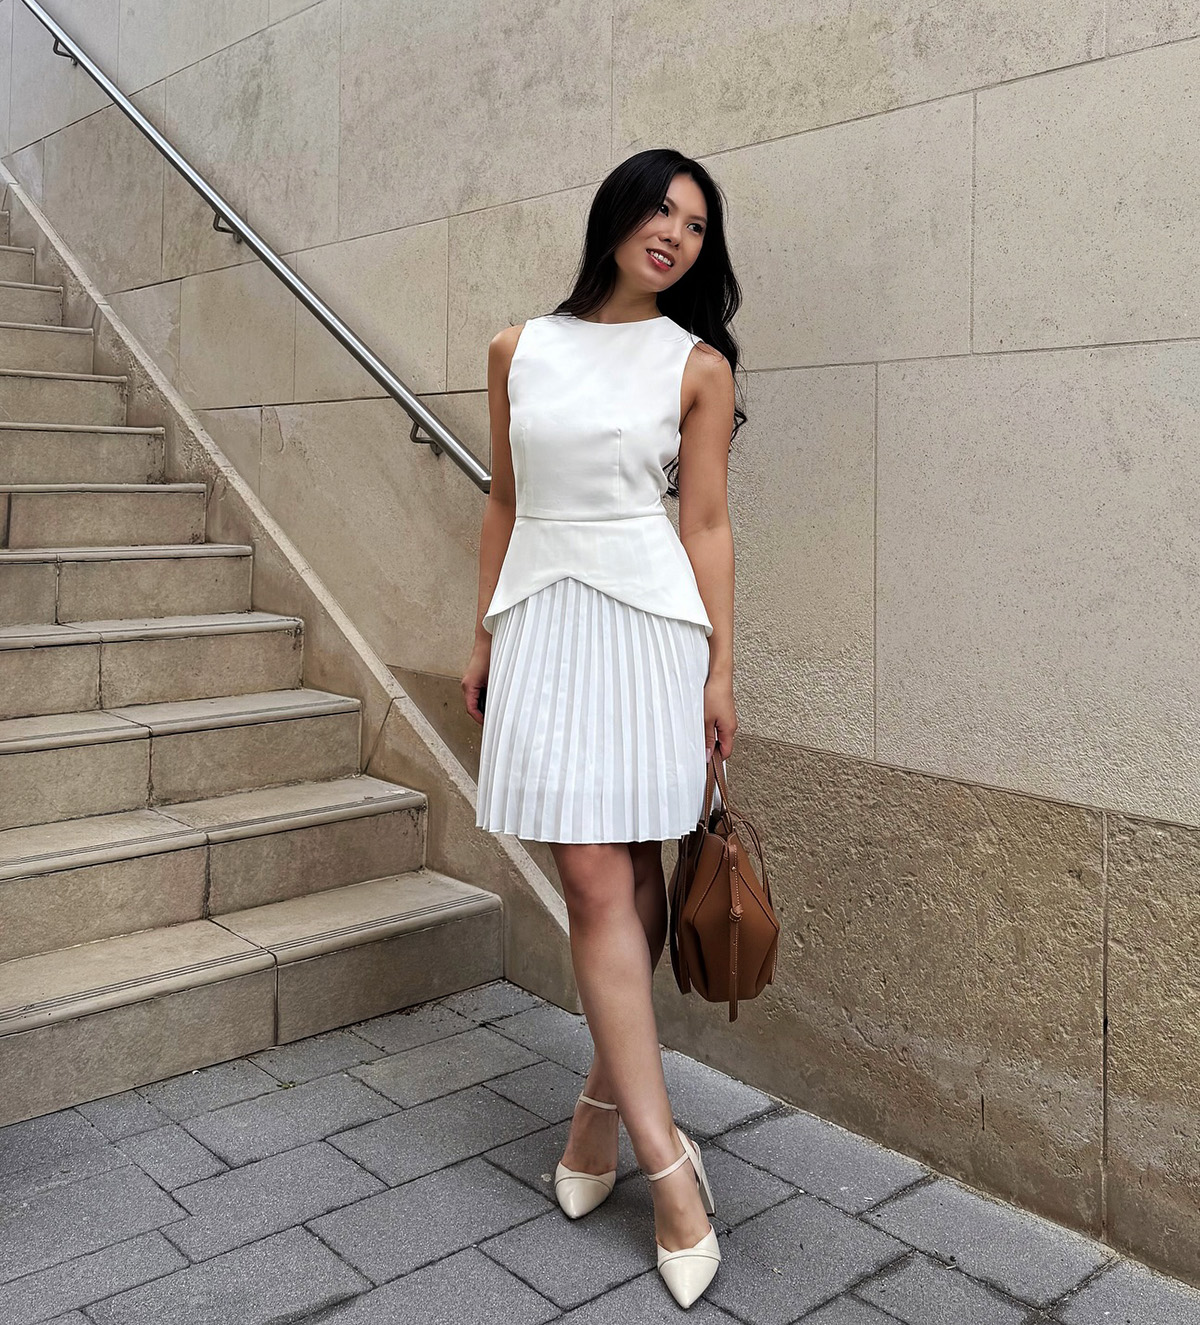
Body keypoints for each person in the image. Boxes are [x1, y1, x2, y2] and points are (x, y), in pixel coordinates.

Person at [461, 148, 745, 1311]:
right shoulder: (517, 348)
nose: (674, 233)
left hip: (650, 633)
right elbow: (504, 498)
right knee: (594, 879)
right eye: (660, 210)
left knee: (626, 882)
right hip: (545, 622)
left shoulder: (698, 364)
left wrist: (724, 665)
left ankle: (601, 1127)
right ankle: (667, 1162)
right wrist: (482, 634)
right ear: (618, 215)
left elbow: (711, 523)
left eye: (695, 224)